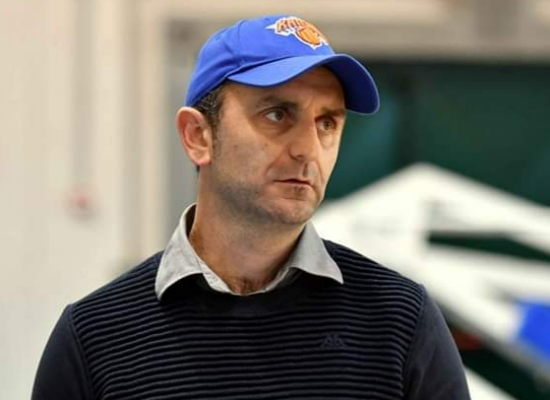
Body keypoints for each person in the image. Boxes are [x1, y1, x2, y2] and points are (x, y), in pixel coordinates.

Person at [32, 14, 470, 400]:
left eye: (327, 123)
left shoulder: (400, 321)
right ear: (198, 136)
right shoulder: (95, 337)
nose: (308, 149)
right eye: (277, 114)